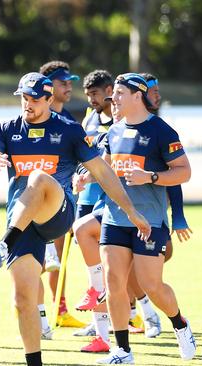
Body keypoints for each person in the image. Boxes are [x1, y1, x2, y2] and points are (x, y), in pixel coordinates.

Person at [0, 72, 150, 366]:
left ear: (49, 100)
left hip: (58, 211)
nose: (27, 104)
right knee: (23, 300)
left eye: (34, 100)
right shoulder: (7, 129)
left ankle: (4, 244)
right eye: (23, 99)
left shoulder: (68, 130)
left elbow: (104, 173)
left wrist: (131, 210)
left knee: (39, 177)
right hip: (22, 222)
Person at [97, 73, 195, 364]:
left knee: (151, 285)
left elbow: (184, 172)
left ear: (137, 96)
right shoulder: (112, 132)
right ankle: (122, 351)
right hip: (114, 218)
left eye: (119, 93)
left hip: (150, 221)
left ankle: (180, 324)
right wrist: (84, 177)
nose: (113, 99)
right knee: (114, 282)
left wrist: (150, 176)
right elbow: (104, 172)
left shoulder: (161, 131)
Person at [37, 60, 86, 330]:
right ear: (48, 86)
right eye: (62, 82)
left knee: (59, 257)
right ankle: (40, 312)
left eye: (70, 82)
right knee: (36, 262)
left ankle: (59, 309)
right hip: (36, 202)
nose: (68, 87)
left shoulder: (68, 121)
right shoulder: (32, 117)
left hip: (64, 201)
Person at [70, 70, 115, 353]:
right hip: (89, 199)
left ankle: (144, 314)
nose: (92, 100)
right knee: (95, 270)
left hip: (114, 201)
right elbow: (82, 154)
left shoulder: (123, 122)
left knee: (120, 269)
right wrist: (79, 175)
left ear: (110, 91)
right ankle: (102, 333)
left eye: (95, 94)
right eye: (88, 95)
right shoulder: (89, 119)